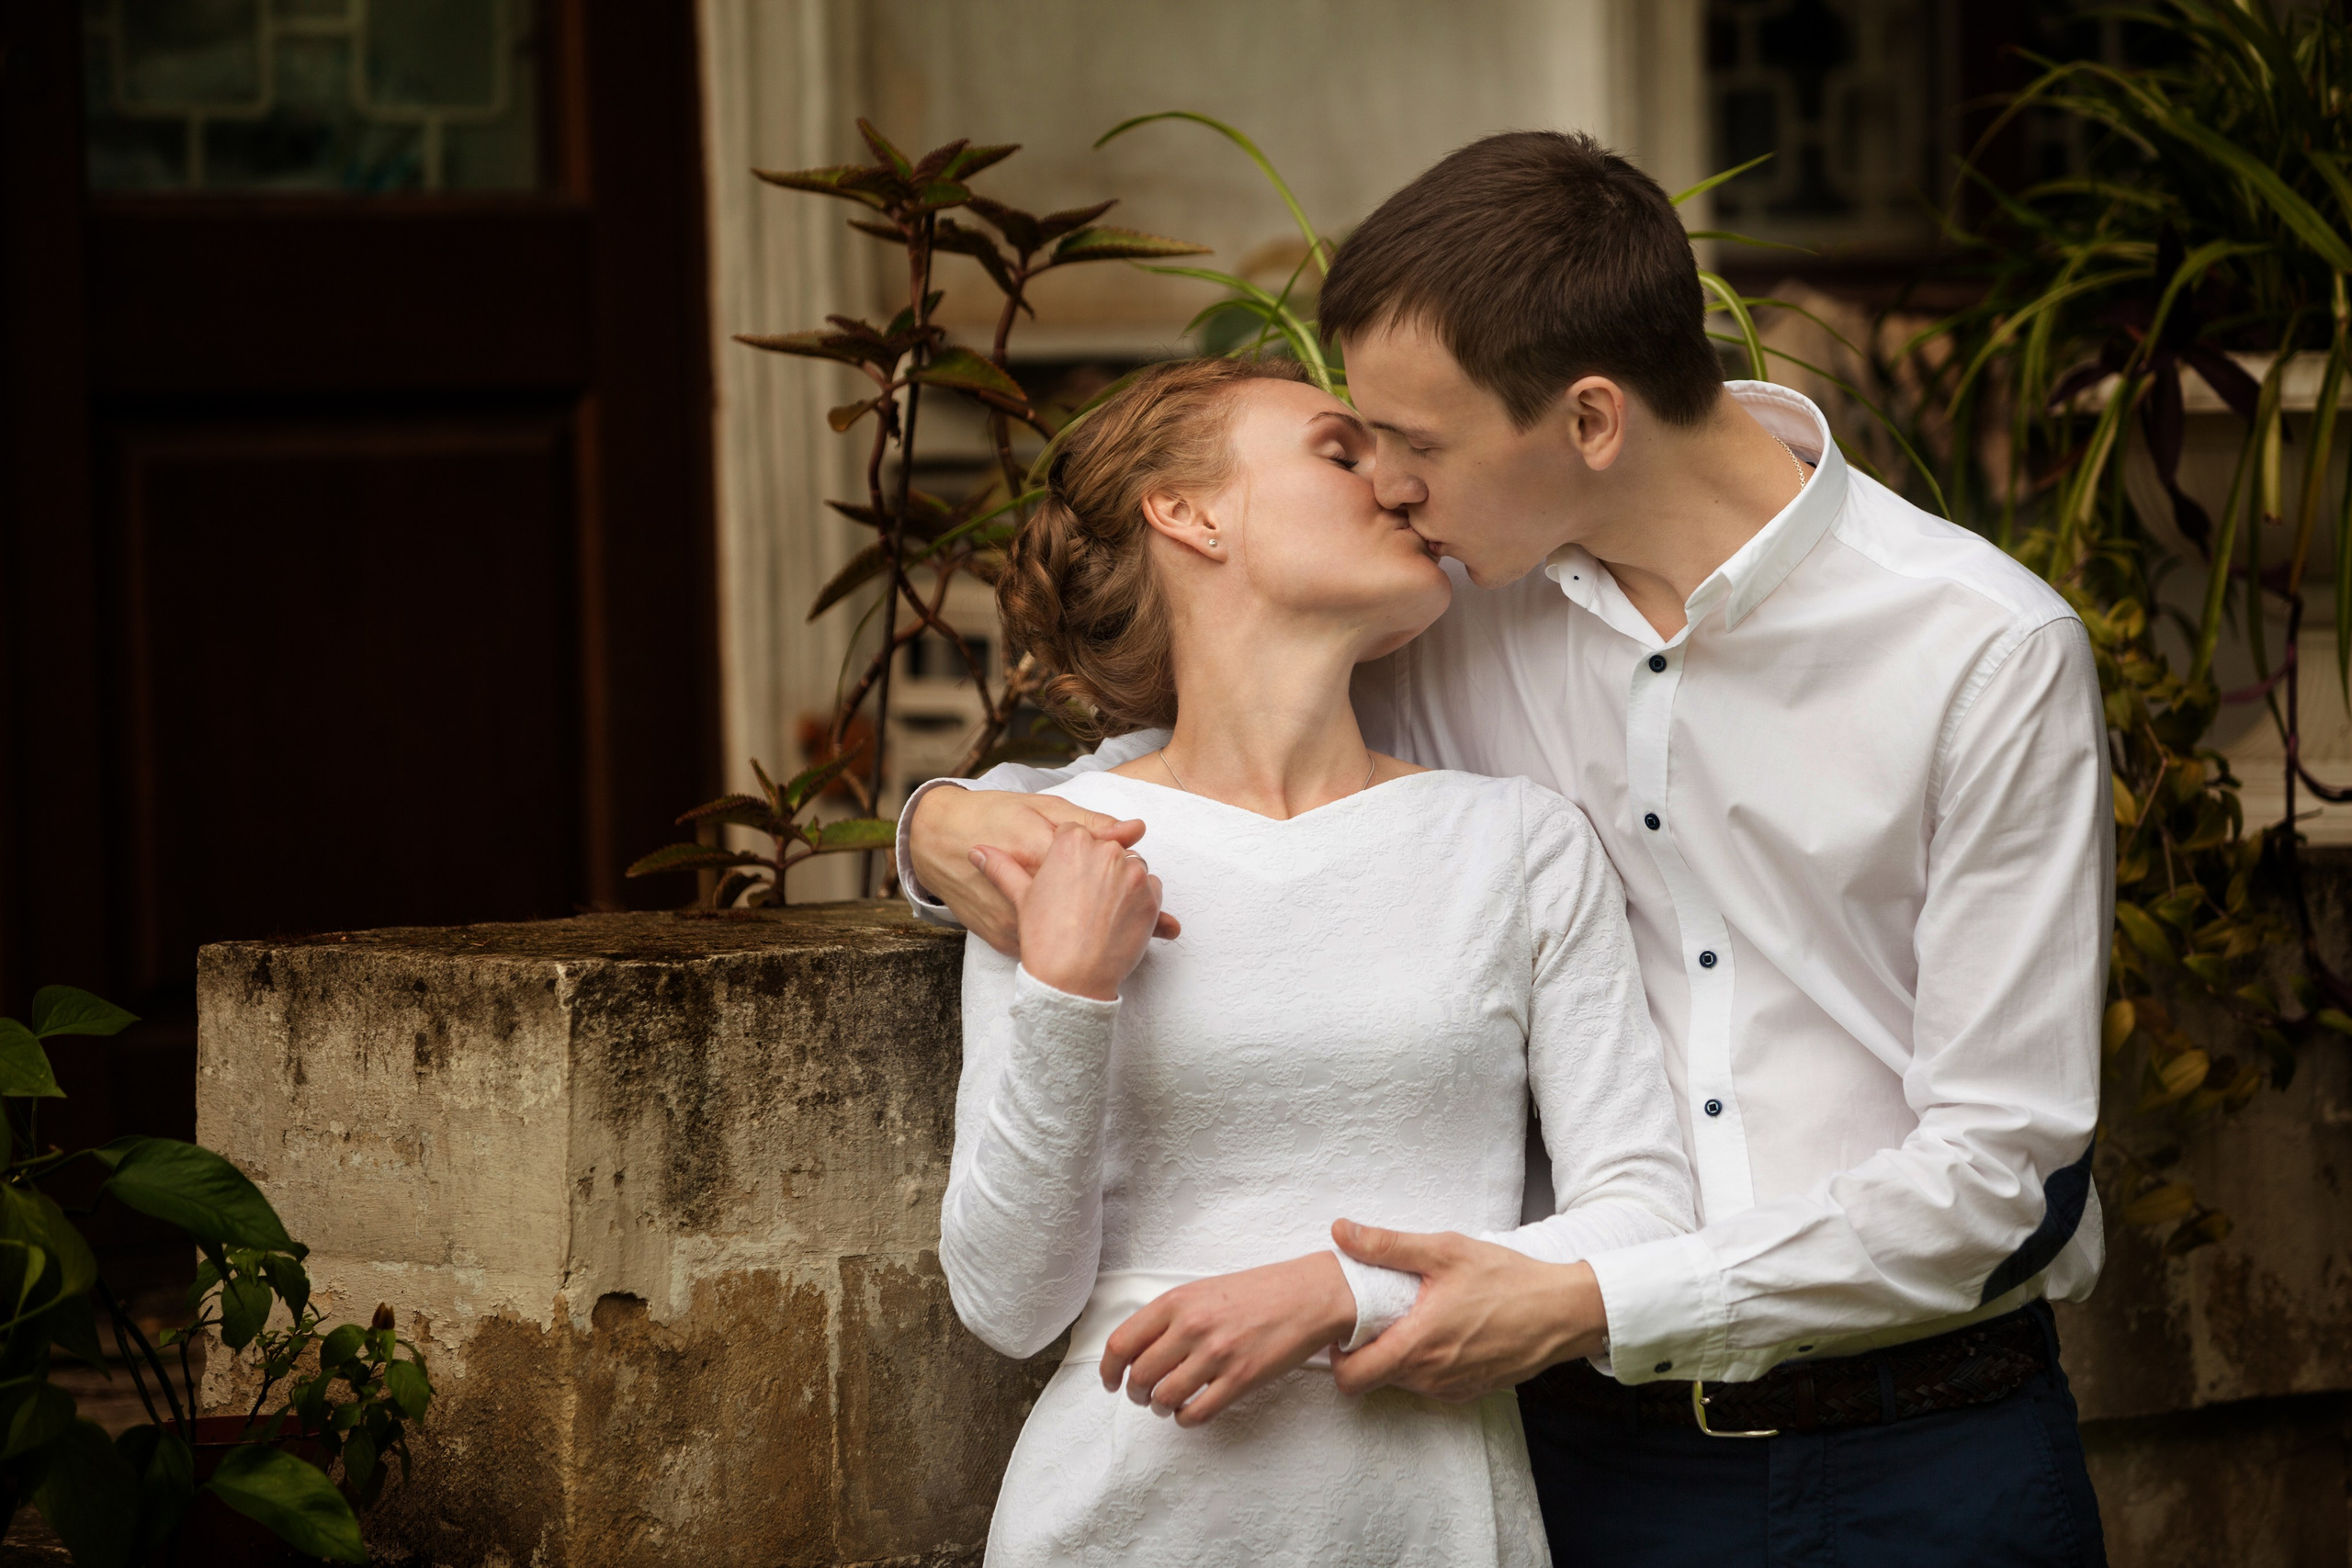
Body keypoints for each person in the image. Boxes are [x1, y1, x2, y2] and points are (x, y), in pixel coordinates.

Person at [905, 132, 2111, 1567]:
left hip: (1928, 1452)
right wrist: (945, 824)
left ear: (1589, 420)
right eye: (1351, 446)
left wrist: (1586, 1295)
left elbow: (1997, 1175)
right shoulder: (1447, 612)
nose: (1389, 487)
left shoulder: (1982, 650)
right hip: (1585, 1468)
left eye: (1410, 446)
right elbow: (1210, 773)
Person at [936, 353, 1695, 1566]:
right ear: (1189, 513)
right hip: (1122, 1523)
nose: (1395, 487)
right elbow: (1006, 1303)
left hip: (1436, 1525)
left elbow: (1649, 1221)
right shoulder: (1064, 848)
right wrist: (1068, 990)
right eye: (1339, 454)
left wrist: (1345, 1291)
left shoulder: (1515, 842)